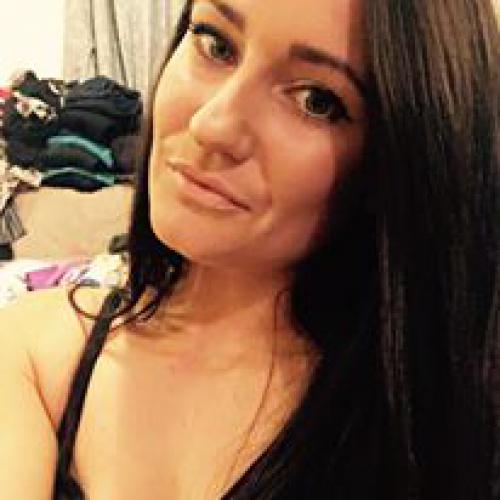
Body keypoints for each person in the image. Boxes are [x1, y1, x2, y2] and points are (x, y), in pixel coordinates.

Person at [0, 0, 499, 498]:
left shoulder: (427, 423)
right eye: (215, 45)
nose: (212, 125)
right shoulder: (36, 352)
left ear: (392, 162)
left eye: (316, 100)